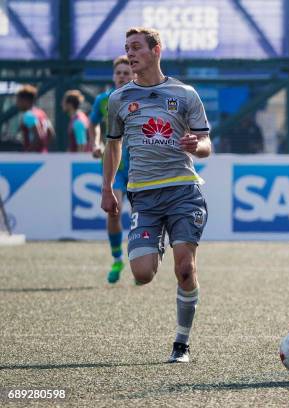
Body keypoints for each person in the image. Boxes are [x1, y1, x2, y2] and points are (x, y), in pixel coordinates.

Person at [101, 27, 211, 363]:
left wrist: (198, 145)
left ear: (156, 50)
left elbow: (206, 145)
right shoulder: (118, 99)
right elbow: (113, 145)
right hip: (143, 197)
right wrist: (107, 188)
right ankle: (155, 246)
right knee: (142, 274)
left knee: (185, 270)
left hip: (183, 192)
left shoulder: (185, 94)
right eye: (126, 48)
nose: (130, 54)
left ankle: (182, 344)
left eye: (136, 48)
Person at [88, 55, 134, 283]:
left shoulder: (142, 99)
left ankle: (140, 259)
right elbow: (93, 122)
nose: (122, 76)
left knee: (141, 216)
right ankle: (117, 258)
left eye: (127, 73)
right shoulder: (103, 101)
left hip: (139, 166)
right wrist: (95, 143)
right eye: (119, 73)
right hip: (113, 165)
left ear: (134, 75)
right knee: (113, 212)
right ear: (113, 76)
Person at [15, 84, 53, 152]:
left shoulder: (28, 115)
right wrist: (43, 148)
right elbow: (50, 133)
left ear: (25, 100)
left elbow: (38, 136)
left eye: (18, 100)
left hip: (33, 158)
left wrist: (28, 152)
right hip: (43, 154)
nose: (17, 103)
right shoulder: (42, 113)